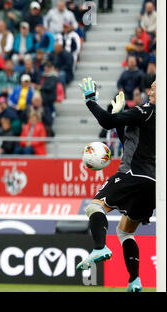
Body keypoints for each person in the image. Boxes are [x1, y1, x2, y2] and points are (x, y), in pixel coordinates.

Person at [77, 78, 156, 292]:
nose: (150, 91)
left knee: (95, 206)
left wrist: (90, 101)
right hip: (154, 185)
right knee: (125, 232)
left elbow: (106, 121)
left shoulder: (147, 110)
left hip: (133, 174)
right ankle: (135, 281)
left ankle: (99, 247)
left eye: (155, 87)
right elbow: (131, 142)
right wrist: (120, 120)